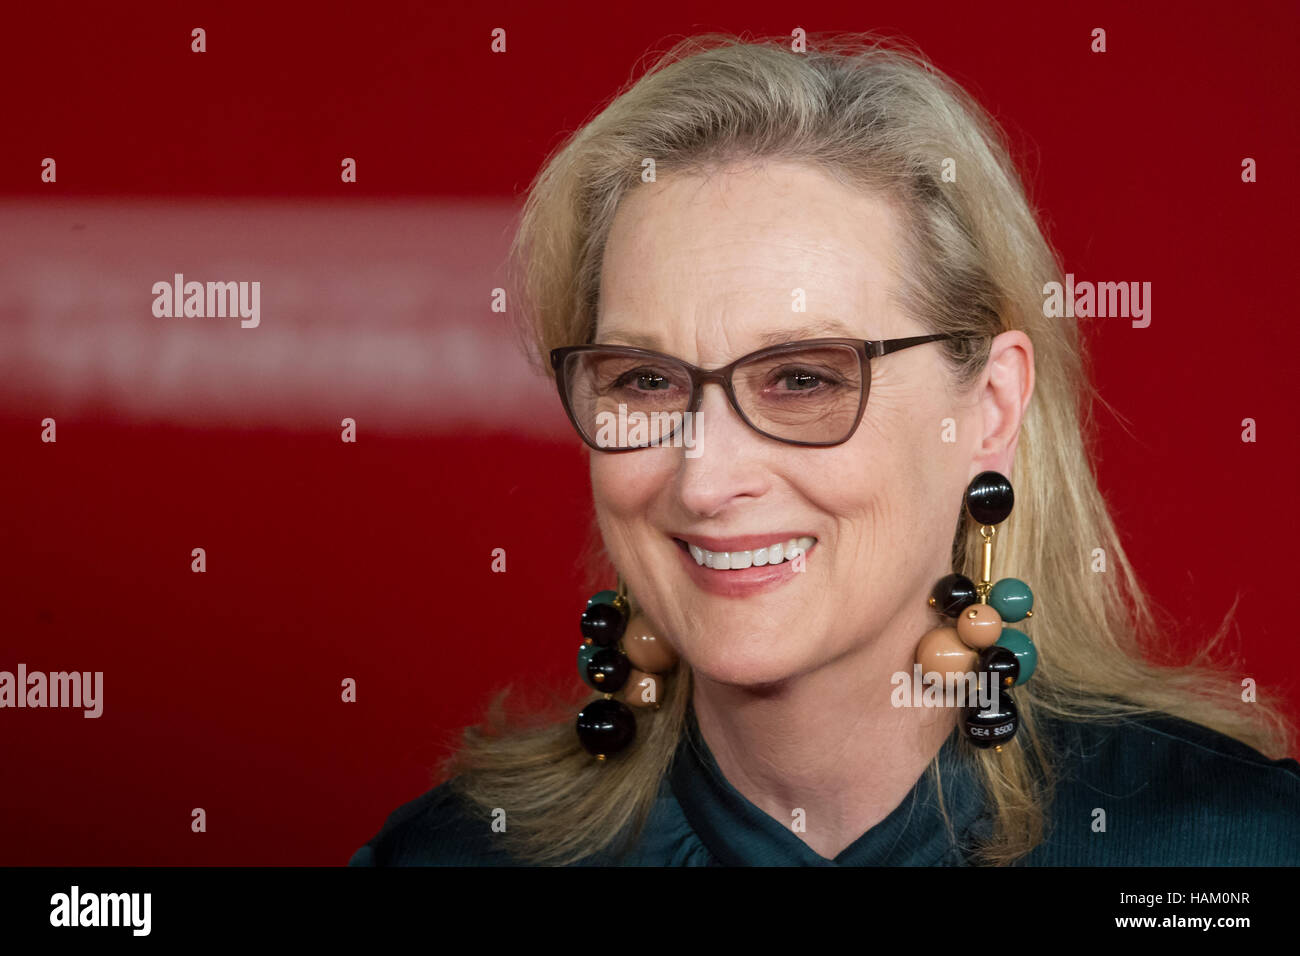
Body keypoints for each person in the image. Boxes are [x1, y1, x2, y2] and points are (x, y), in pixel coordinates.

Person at [350, 32, 1299, 866]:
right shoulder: (454, 856)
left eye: (803, 379)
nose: (706, 477)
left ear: (992, 406)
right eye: (645, 380)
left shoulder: (1233, 853)